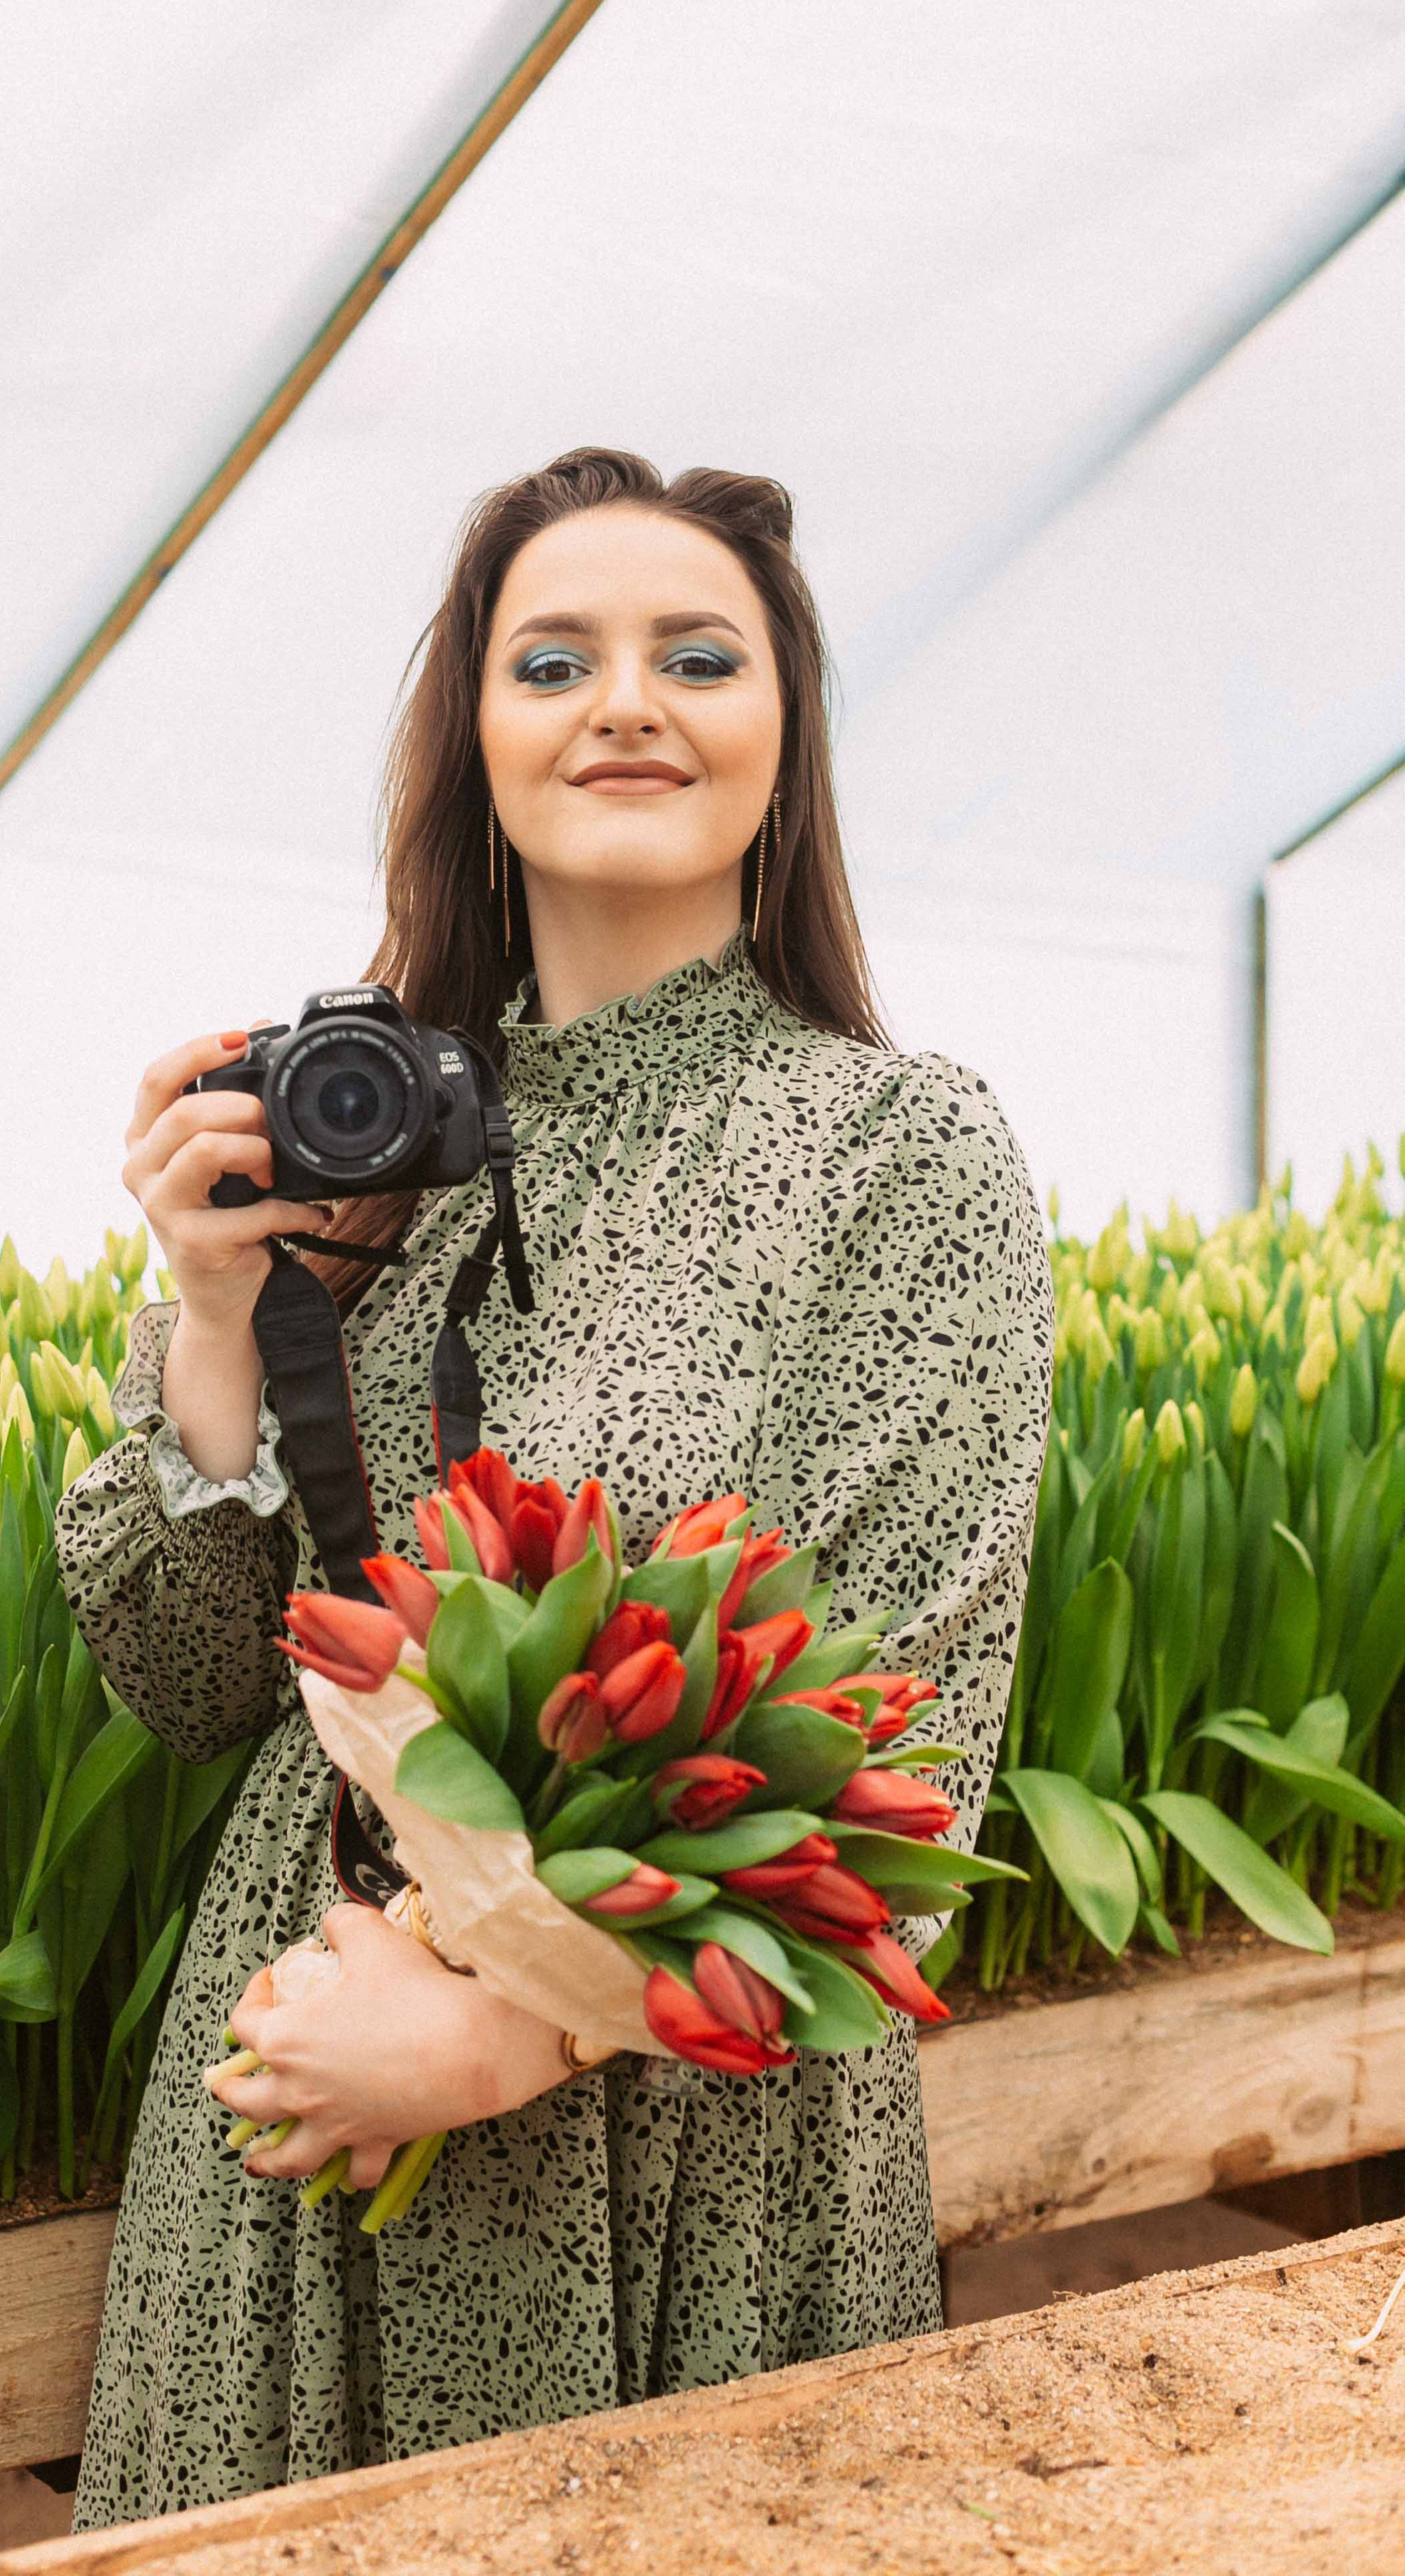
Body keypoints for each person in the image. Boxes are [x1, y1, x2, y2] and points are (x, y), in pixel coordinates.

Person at [54, 445, 1055, 2530]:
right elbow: (182, 1687)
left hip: (675, 2141)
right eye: (553, 660)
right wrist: (221, 1322)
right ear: (476, 745)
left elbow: (912, 1751)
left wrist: (512, 2034)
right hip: (300, 2109)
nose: (627, 701)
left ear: (783, 739)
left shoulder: (901, 1156)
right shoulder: (364, 1145)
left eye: (700, 654)